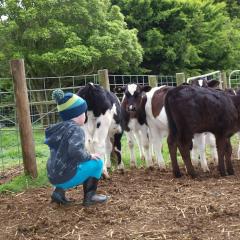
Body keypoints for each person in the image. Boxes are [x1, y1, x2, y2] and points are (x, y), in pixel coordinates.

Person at [45, 88, 108, 206]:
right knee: (98, 162)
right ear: (77, 115)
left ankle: (58, 192)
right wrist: (90, 156)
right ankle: (90, 196)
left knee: (66, 162)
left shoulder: (57, 129)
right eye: (83, 113)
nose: (85, 115)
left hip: (52, 175)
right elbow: (75, 151)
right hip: (65, 177)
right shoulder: (76, 130)